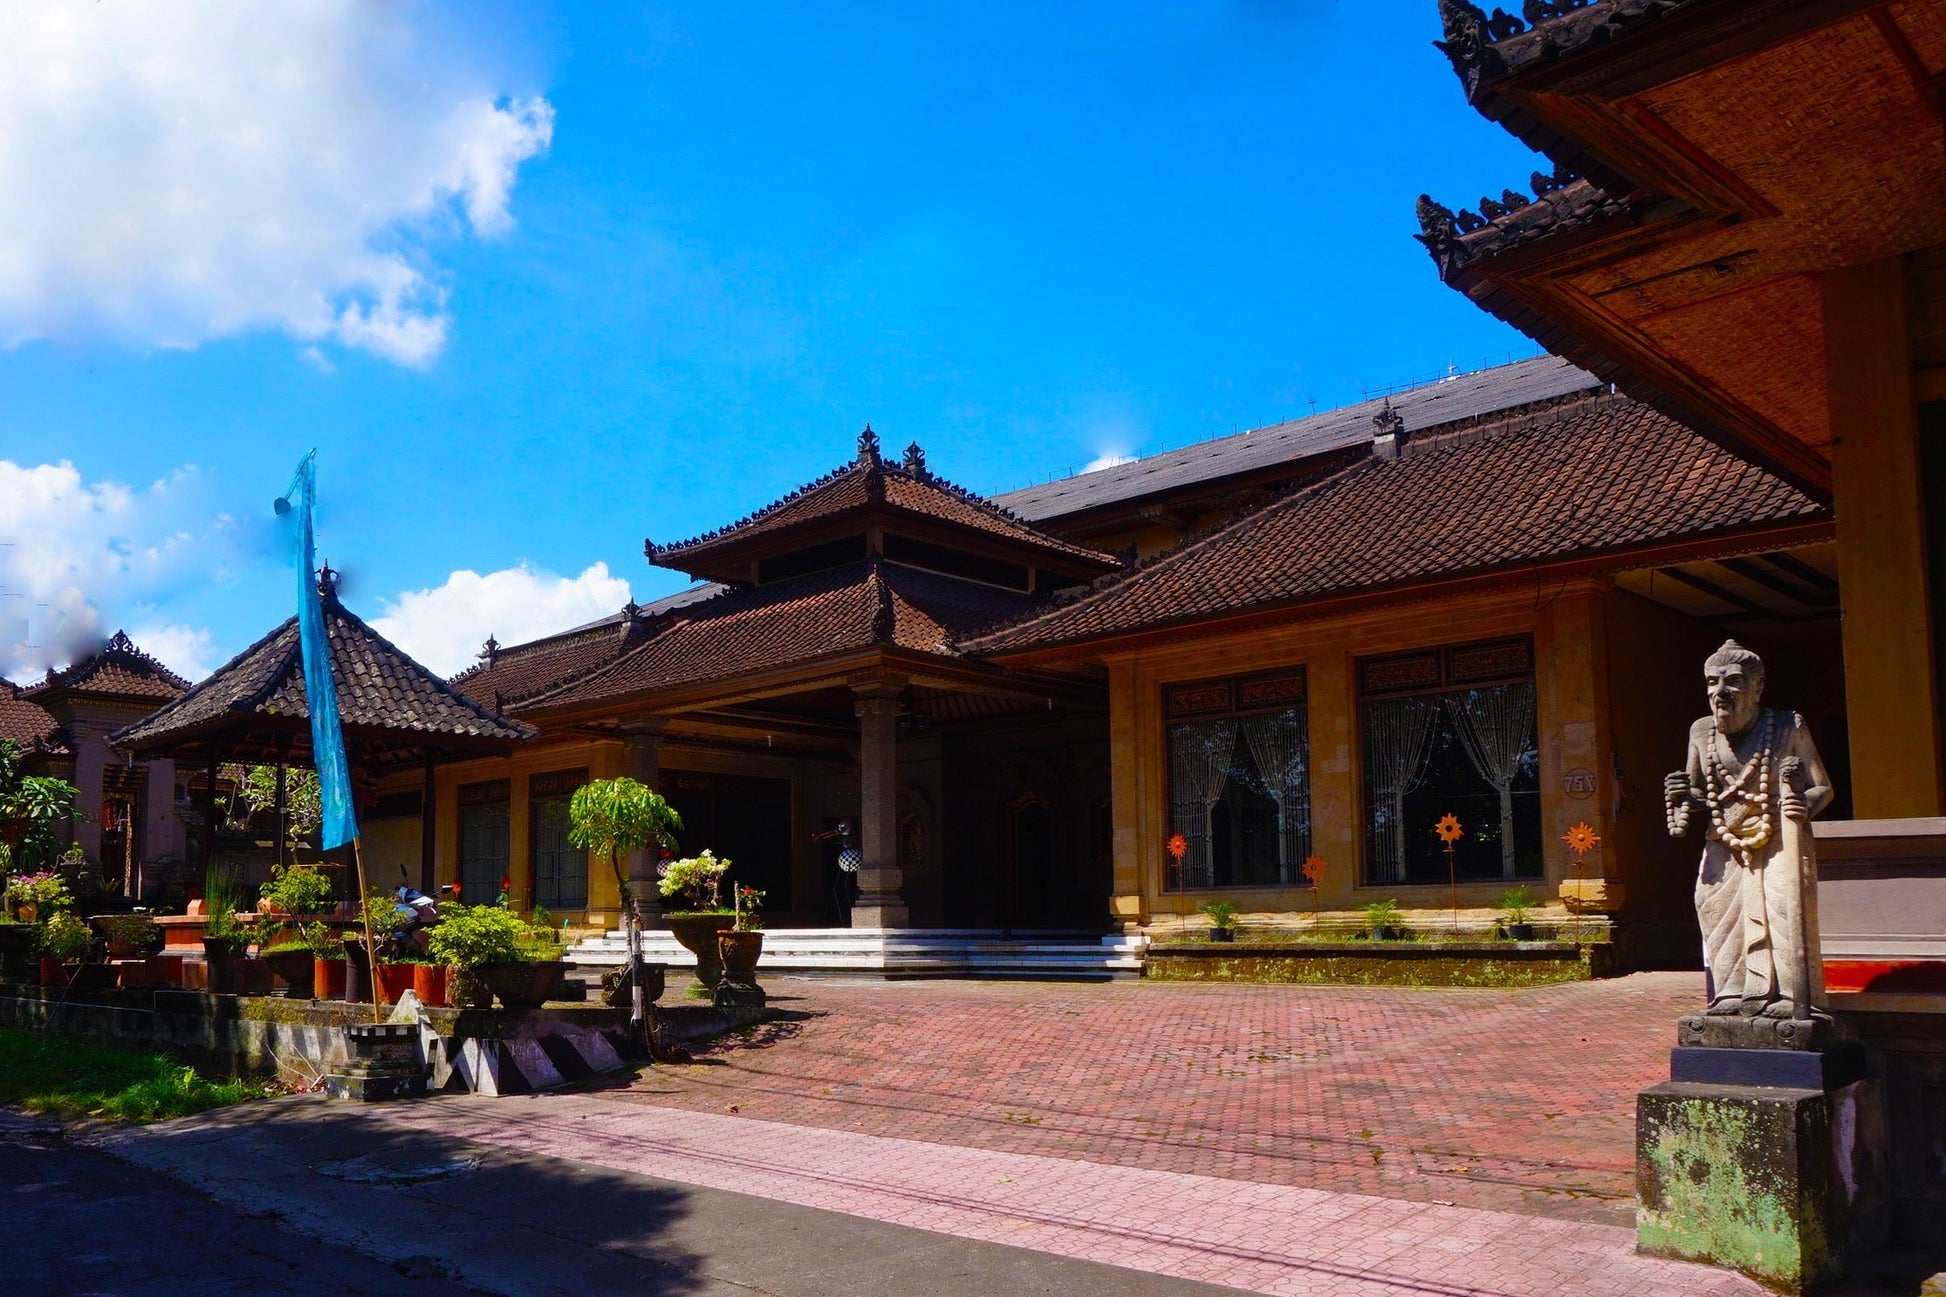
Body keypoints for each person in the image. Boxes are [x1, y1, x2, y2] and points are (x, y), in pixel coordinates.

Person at [1664, 640, 1833, 1020]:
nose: (1720, 692)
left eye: (1734, 682)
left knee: (1785, 905)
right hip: (1724, 839)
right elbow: (1699, 793)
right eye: (1712, 682)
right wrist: (1682, 794)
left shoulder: (1788, 725)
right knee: (1713, 907)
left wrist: (1803, 804)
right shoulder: (1701, 731)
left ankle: (1793, 995)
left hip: (1779, 836)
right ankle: (1731, 991)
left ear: (1757, 688)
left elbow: (1822, 786)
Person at [812, 820, 859, 927]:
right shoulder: (841, 836)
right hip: (846, 862)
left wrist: (821, 836)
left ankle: (850, 917)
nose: (840, 830)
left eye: (843, 828)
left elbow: (835, 834)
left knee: (847, 886)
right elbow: (833, 833)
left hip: (852, 861)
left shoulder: (852, 838)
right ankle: (844, 918)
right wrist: (820, 836)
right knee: (840, 887)